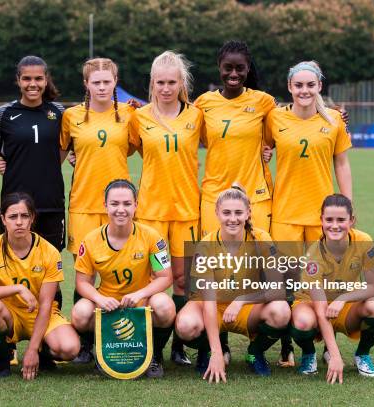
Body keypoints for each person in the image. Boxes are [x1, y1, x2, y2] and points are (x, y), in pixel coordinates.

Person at [263, 60, 353, 366]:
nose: (304, 90)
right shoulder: (274, 118)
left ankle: (329, 346)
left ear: (319, 87)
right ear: (289, 87)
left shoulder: (335, 121)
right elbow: (262, 149)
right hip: (285, 212)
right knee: (287, 282)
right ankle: (291, 347)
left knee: (326, 281)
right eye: (298, 85)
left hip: (322, 216)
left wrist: (347, 206)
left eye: (310, 85)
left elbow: (341, 163)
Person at [194, 39, 276, 364]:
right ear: (219, 67)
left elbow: (287, 126)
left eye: (239, 68)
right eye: (228, 67)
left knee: (259, 269)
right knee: (214, 268)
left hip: (255, 196)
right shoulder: (203, 104)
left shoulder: (265, 102)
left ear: (247, 69)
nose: (233, 73)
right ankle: (218, 346)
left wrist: (337, 115)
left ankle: (269, 345)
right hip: (214, 197)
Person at [128, 50, 202, 366]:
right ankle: (154, 351)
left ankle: (178, 347)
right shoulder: (139, 117)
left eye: (172, 82)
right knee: (156, 280)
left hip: (187, 212)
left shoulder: (196, 116)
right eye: (161, 82)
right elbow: (122, 146)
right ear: (152, 83)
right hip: (152, 214)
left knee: (184, 281)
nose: (166, 88)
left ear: (181, 83)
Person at [60, 57, 136, 362]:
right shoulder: (71, 116)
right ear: (86, 84)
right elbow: (58, 155)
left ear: (115, 81)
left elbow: (144, 146)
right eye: (96, 82)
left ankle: (129, 335)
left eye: (107, 81)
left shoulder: (130, 115)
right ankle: (87, 344)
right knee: (85, 275)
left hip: (120, 207)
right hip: (83, 204)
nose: (102, 86)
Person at [175, 185, 290, 380]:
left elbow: (276, 289)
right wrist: (217, 352)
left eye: (238, 212)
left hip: (247, 309)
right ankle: (209, 351)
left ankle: (255, 352)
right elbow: (209, 303)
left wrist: (241, 300)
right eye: (226, 212)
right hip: (212, 307)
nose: (233, 218)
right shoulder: (205, 246)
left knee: (281, 312)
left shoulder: (261, 238)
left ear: (248, 213)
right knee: (185, 325)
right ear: (217, 213)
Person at [71, 179, 176, 378]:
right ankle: (102, 354)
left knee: (165, 305)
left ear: (136, 205)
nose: (121, 210)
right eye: (115, 204)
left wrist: (140, 294)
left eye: (127, 204)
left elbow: (165, 277)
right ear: (105, 206)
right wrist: (100, 300)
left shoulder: (152, 236)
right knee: (80, 312)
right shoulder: (91, 240)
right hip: (107, 305)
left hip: (141, 303)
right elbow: (82, 282)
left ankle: (155, 355)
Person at [0, 192, 80, 379]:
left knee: (70, 349)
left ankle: (43, 353)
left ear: (32, 219)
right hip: (10, 313)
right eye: (13, 216)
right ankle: (3, 357)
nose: (19, 222)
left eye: (24, 216)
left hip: (41, 313)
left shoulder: (49, 252)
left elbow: (46, 304)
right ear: (3, 219)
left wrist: (31, 350)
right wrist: (18, 289)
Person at [291, 194, 374, 383]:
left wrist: (343, 298)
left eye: (341, 220)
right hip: (313, 306)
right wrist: (335, 355)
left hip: (343, 305)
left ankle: (362, 354)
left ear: (351, 220)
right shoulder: (313, 255)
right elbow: (321, 310)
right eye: (329, 220)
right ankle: (309, 353)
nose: (334, 225)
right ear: (321, 221)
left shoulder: (363, 241)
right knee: (302, 322)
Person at [0, 55, 67, 250]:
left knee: (51, 268)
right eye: (27, 79)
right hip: (15, 206)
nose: (33, 84)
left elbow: (68, 146)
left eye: (38, 79)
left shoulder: (59, 111)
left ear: (46, 80)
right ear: (18, 80)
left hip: (51, 202)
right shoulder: (2, 114)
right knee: (12, 263)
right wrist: (5, 160)